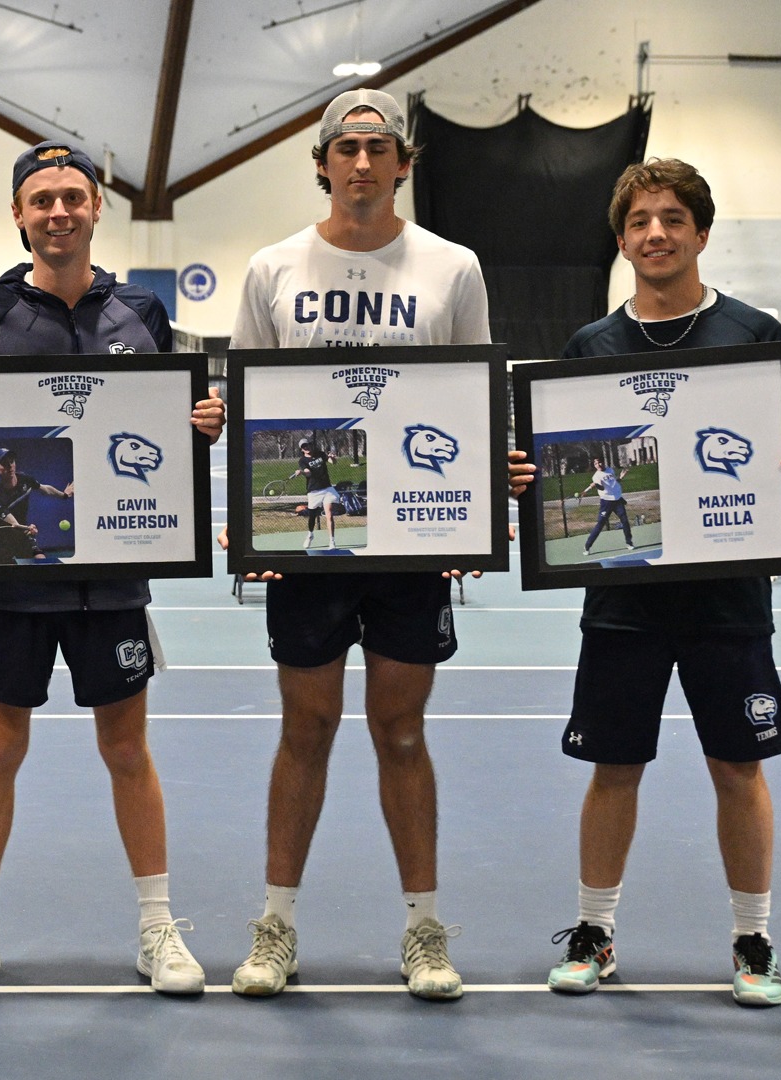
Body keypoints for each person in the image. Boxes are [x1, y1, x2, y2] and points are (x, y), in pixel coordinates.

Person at [0, 140, 226, 995]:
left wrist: (197, 423)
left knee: (127, 750)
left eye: (73, 197)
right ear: (18, 215)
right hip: (15, 575)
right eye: (41, 199)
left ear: (97, 210)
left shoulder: (143, 314)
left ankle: (158, 928)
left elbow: (161, 434)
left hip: (114, 573)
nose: (58, 212)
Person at [509, 158, 781, 1007]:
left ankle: (753, 941)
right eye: (641, 220)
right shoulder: (589, 348)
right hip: (623, 602)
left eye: (673, 218)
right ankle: (594, 933)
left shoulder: (756, 335)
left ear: (701, 232)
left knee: (738, 767)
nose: (657, 233)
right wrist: (526, 482)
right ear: (622, 241)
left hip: (727, 598)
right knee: (614, 766)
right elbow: (551, 464)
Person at [225, 89, 489, 1001]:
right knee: (306, 727)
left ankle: (422, 928)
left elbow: (474, 402)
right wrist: (253, 524)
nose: (364, 163)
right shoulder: (272, 269)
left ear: (404, 162)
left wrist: (469, 519)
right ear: (325, 162)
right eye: (349, 147)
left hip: (413, 544)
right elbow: (250, 402)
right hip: (313, 551)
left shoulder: (453, 267)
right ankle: (276, 927)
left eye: (381, 147)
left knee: (402, 730)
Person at [0, 447, 71, 558]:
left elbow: (45, 489)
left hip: (21, 536)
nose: (10, 465)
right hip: (1, 541)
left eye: (12, 461)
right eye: (4, 463)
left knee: (40, 559)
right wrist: (28, 528)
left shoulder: (25, 479)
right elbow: (14, 524)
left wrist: (64, 495)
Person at [577, 457, 635, 555]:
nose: (598, 465)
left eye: (599, 462)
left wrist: (620, 477)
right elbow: (602, 487)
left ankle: (629, 543)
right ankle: (587, 546)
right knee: (600, 525)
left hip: (617, 500)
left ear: (603, 462)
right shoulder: (596, 476)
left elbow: (613, 483)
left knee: (625, 521)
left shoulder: (610, 470)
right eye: (596, 464)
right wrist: (596, 485)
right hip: (606, 502)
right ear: (594, 466)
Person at [289, 439, 341, 548]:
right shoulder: (302, 461)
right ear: (301, 449)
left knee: (329, 515)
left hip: (327, 489)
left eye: (307, 445)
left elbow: (333, 462)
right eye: (303, 447)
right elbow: (308, 473)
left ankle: (332, 541)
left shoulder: (320, 454)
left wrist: (332, 457)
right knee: (312, 516)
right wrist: (301, 472)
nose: (306, 448)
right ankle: (310, 535)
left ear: (310, 445)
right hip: (313, 491)